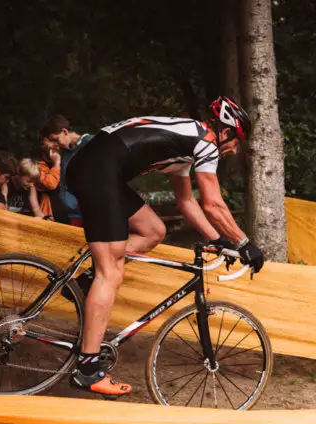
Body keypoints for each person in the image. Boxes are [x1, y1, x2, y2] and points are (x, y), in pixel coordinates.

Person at [63, 96, 265, 397]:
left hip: (100, 167)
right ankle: (87, 370)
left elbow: (187, 203)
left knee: (154, 230)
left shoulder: (186, 145)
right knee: (112, 273)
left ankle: (88, 283)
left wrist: (218, 240)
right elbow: (213, 203)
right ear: (224, 132)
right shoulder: (205, 141)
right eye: (236, 140)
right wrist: (245, 243)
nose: (235, 148)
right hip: (97, 170)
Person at [40, 115, 93, 225]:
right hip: (74, 214)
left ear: (64, 131)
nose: (56, 144)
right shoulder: (66, 154)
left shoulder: (92, 143)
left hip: (94, 211)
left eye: (56, 139)